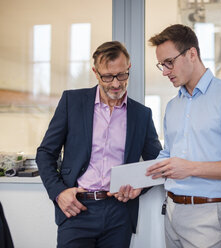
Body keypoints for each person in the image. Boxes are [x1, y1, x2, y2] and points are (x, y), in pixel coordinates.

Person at [146, 24, 221, 248]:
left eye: (169, 63)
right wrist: (139, 180)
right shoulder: (173, 106)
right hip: (171, 211)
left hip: (208, 215)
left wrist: (191, 168)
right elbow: (169, 154)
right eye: (161, 65)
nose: (164, 72)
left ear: (192, 54)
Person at [36, 41, 162, 248]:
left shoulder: (142, 114)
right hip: (77, 209)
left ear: (129, 68)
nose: (115, 84)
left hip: (119, 212)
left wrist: (140, 186)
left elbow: (156, 161)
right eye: (107, 76)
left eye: (122, 75)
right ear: (95, 72)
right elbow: (45, 153)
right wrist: (59, 192)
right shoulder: (72, 102)